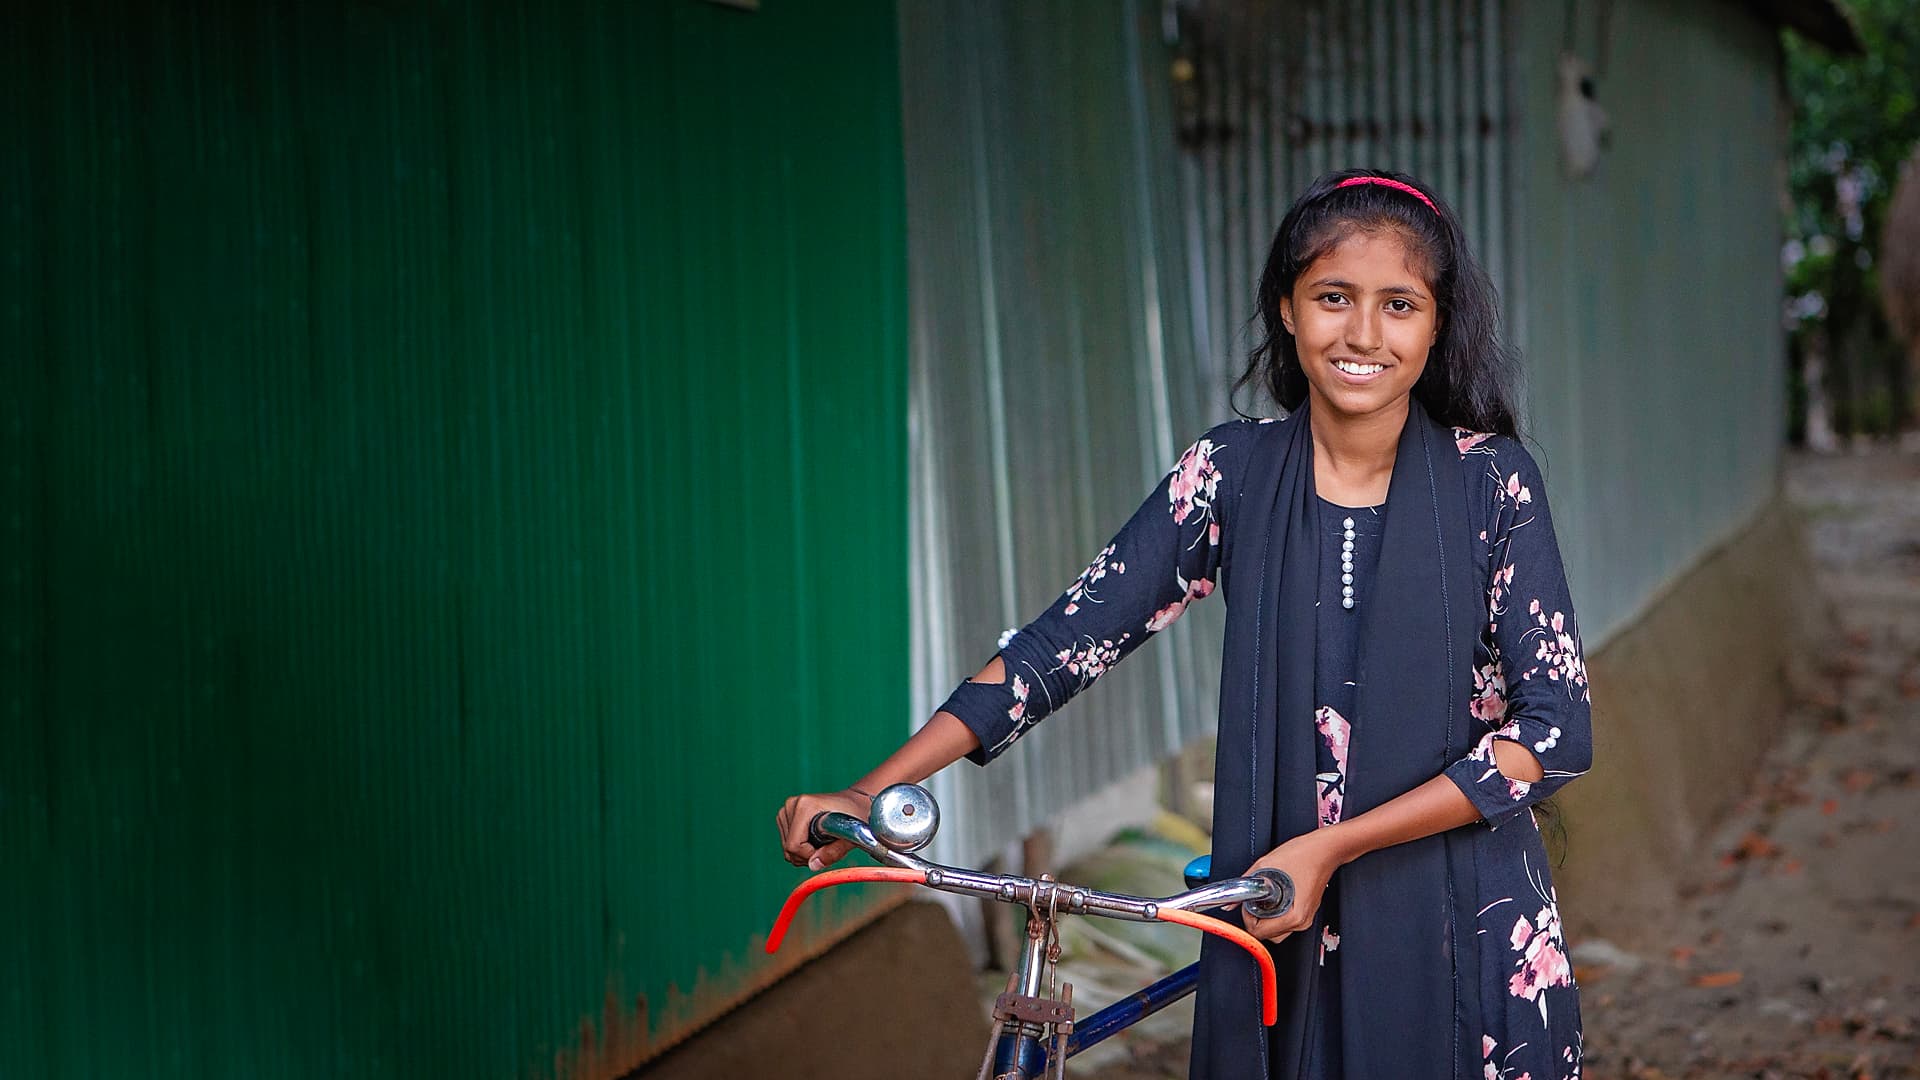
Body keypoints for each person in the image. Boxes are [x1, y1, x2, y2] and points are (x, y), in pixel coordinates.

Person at [776, 169, 1592, 1080]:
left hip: (1465, 935)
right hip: (1277, 917)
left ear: (1436, 325)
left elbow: (1553, 733)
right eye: (1332, 297)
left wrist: (1332, 846)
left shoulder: (1494, 484)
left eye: (1398, 304)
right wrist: (867, 790)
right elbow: (1060, 647)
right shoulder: (1229, 474)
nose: (1362, 333)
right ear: (1286, 309)